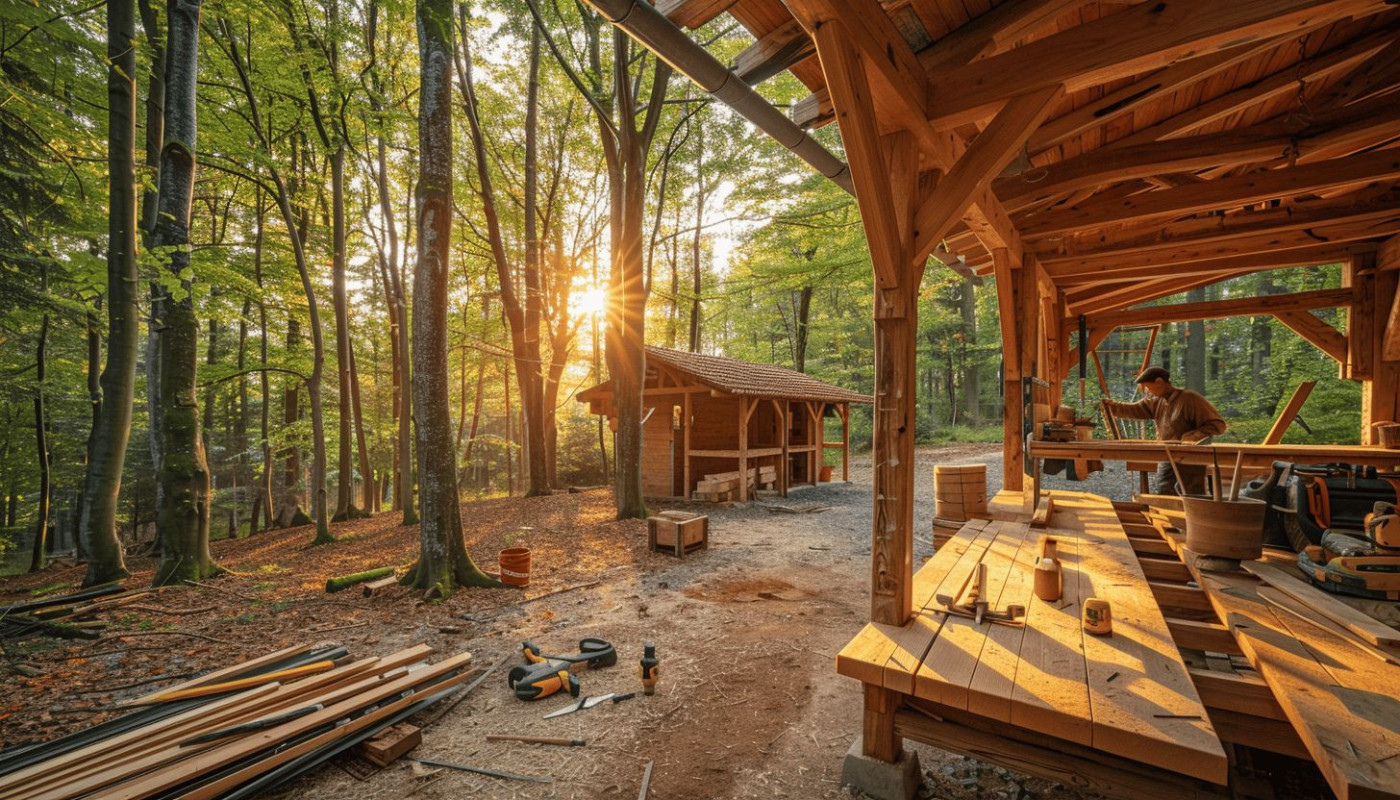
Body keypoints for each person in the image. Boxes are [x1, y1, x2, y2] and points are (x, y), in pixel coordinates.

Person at [1102, 366, 1226, 496]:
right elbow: (1134, 410)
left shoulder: (1190, 399)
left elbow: (1217, 425)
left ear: (1159, 382)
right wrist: (1112, 407)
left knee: (1191, 495)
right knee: (1165, 490)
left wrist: (1194, 436)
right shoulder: (1156, 401)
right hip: (1167, 456)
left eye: (1148, 387)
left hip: (1191, 459)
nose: (1148, 392)